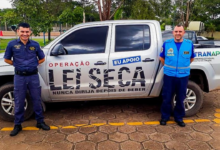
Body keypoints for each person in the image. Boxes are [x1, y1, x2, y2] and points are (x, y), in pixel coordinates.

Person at [4, 23, 50, 136]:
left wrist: (34, 64)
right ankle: (17, 125)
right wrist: (17, 64)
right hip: (19, 77)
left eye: (27, 31)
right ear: (18, 32)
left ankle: (40, 121)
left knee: (37, 99)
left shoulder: (35, 44)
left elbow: (42, 58)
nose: (25, 34)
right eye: (22, 31)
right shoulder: (12, 44)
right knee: (19, 101)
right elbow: (6, 59)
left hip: (33, 76)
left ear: (30, 32)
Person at [159, 25, 195, 127]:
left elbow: (191, 58)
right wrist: (170, 67)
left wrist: (182, 66)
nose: (178, 33)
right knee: (166, 97)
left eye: (180, 31)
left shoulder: (189, 44)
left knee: (181, 97)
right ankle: (165, 117)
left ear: (183, 33)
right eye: (176, 31)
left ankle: (179, 118)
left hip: (183, 76)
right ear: (173, 33)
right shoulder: (167, 44)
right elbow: (161, 58)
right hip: (169, 75)